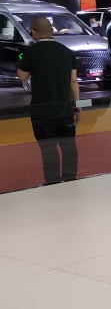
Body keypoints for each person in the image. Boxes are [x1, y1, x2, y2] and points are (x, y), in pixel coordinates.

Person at [16, 16, 80, 185]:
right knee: (69, 145)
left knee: (48, 147)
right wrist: (77, 105)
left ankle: (52, 180)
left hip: (41, 111)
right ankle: (70, 177)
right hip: (65, 108)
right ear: (52, 31)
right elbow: (73, 82)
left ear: (33, 32)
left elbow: (22, 76)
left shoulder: (31, 52)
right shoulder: (67, 52)